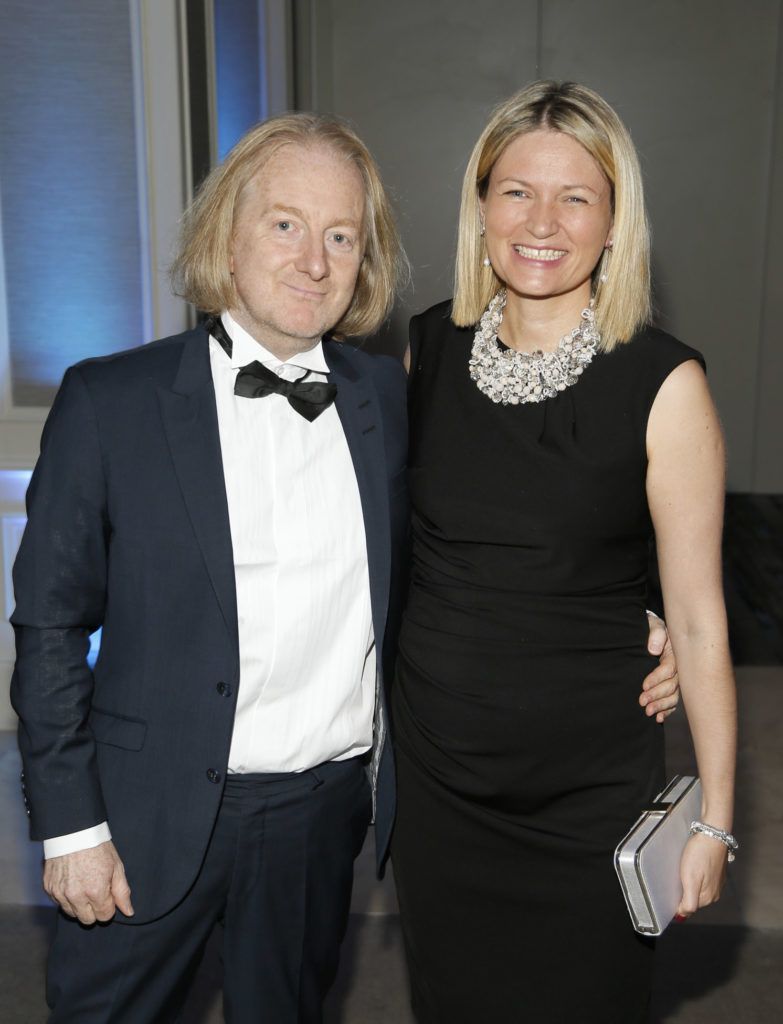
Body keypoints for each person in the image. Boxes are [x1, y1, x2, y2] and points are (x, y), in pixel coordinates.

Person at [10, 112, 410, 1023]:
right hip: (145, 811)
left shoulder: (381, 400)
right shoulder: (111, 401)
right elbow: (50, 627)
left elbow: (460, 546)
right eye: (285, 224)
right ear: (226, 235)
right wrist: (72, 824)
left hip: (319, 813)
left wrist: (627, 616)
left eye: (340, 235)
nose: (314, 259)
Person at [390, 80, 737, 1023]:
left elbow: (701, 618)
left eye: (576, 196)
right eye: (515, 191)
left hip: (588, 788)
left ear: (614, 221)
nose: (541, 221)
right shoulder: (424, 351)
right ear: (480, 206)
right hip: (438, 782)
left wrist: (713, 817)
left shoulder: (663, 382)